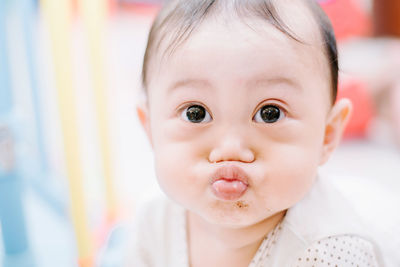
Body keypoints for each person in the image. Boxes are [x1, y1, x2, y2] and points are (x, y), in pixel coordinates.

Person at [126, 0, 383, 266]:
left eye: (270, 113)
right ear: (150, 129)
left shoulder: (332, 253)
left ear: (327, 135)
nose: (230, 148)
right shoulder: (154, 220)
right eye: (196, 113)